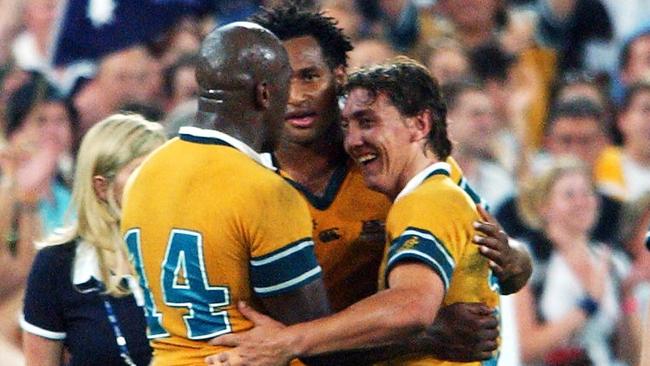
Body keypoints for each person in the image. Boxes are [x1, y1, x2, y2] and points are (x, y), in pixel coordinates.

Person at [208, 57, 503, 366]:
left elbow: (411, 306)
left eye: (367, 122)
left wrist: (288, 341)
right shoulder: (446, 192)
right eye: (346, 126)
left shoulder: (427, 201)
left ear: (420, 124)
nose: (352, 141)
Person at [120, 22, 332, 365]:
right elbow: (312, 333)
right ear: (264, 94)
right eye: (284, 89)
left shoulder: (144, 174)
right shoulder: (265, 191)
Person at [21, 113, 166, 366]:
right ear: (101, 187)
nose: (159, 184)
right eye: (141, 172)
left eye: (163, 171)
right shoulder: (58, 265)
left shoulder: (192, 248)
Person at [514, 158, 631, 365]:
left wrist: (630, 296)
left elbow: (624, 350)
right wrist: (587, 306)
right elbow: (524, 349)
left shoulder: (611, 261)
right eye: (569, 195)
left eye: (587, 193)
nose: (581, 202)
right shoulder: (527, 260)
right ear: (544, 206)